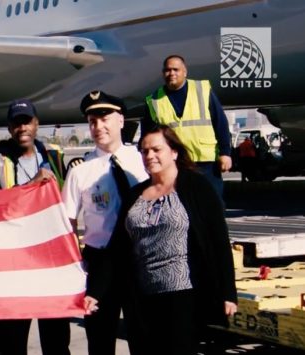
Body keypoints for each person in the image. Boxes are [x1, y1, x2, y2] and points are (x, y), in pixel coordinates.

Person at [87, 126, 238, 355]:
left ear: (174, 152)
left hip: (183, 295)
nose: (149, 156)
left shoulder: (196, 187)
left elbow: (218, 240)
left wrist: (228, 293)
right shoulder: (135, 195)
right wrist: (95, 291)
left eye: (156, 149)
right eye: (144, 151)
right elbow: (117, 249)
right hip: (142, 298)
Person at [62, 91, 148, 355]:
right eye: (92, 121)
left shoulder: (144, 160)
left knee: (144, 336)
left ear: (121, 120)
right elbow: (68, 222)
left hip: (139, 259)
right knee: (100, 339)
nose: (98, 126)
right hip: (100, 263)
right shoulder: (79, 171)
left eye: (104, 118)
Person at [0, 99, 66, 355]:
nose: (22, 128)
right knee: (10, 341)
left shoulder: (54, 155)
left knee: (56, 340)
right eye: (16, 123)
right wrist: (30, 187)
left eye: (27, 122)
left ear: (36, 124)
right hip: (13, 263)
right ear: (9, 127)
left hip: (50, 260)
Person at [142, 54, 232, 197]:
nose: (171, 73)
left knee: (212, 206)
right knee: (181, 209)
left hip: (205, 163)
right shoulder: (154, 100)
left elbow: (220, 122)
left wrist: (225, 153)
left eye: (175, 69)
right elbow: (147, 136)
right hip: (175, 164)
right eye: (167, 70)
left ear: (185, 71)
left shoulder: (202, 90)